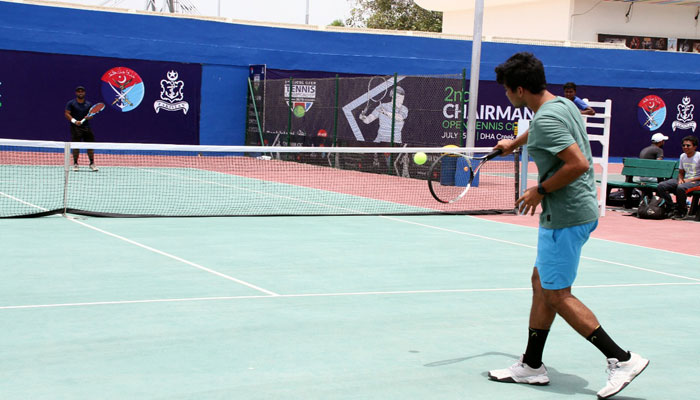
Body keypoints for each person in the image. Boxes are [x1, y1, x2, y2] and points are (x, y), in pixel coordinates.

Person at [487, 52, 648, 399]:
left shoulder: (546, 119)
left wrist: (539, 190)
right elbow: (541, 128)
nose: (506, 95)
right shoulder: (561, 104)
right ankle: (532, 365)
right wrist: (513, 143)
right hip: (579, 210)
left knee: (557, 294)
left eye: (507, 90)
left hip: (565, 215)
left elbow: (577, 164)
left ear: (519, 90)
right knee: (541, 282)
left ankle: (622, 359)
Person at [655, 135, 700, 219]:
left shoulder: (698, 156)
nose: (685, 147)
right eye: (683, 145)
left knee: (681, 188)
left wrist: (690, 179)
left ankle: (682, 211)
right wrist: (680, 179)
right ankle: (671, 208)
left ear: (695, 147)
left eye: (688, 145)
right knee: (661, 185)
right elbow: (681, 172)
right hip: (685, 180)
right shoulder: (683, 156)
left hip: (697, 182)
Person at [65, 86, 98, 171]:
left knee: (90, 146)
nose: (80, 93)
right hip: (75, 128)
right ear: (76, 93)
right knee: (76, 146)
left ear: (84, 93)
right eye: (79, 91)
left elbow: (91, 115)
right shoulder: (71, 103)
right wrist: (75, 121)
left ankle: (92, 163)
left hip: (86, 127)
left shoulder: (88, 104)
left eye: (82, 91)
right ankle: (75, 164)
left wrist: (88, 117)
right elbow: (67, 114)